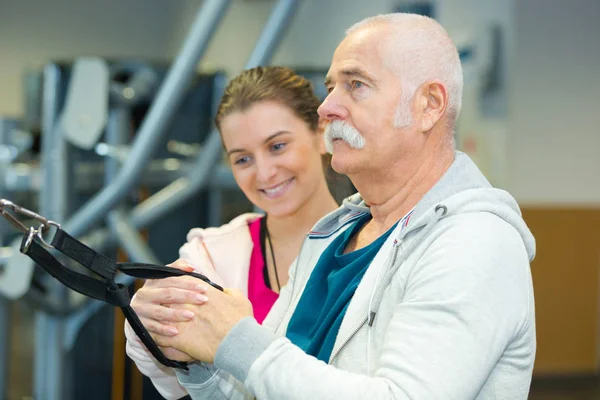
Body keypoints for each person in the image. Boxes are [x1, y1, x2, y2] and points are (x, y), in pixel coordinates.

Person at [148, 13, 537, 400]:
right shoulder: (331, 236)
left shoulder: (475, 242)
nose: (326, 107)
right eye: (332, 87)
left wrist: (236, 339)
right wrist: (197, 351)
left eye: (356, 85)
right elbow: (260, 387)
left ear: (429, 105)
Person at [124, 66, 340, 399]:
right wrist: (147, 325)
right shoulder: (211, 254)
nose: (265, 173)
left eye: (278, 146)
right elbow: (173, 382)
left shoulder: (376, 241)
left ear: (321, 133)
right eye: (242, 159)